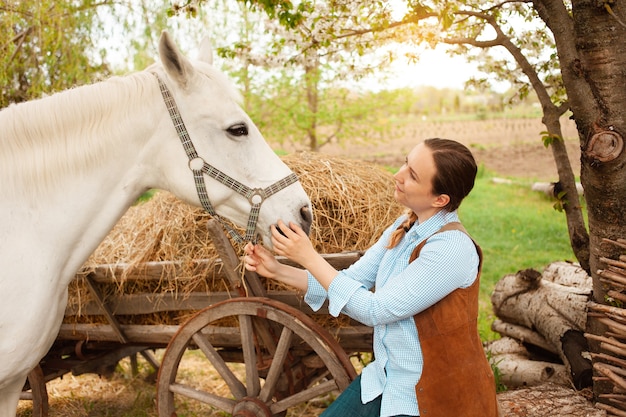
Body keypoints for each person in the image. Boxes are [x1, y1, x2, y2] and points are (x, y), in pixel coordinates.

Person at [243, 138, 500, 417]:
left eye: (412, 175)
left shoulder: (450, 248)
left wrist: (309, 256)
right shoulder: (405, 226)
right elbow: (350, 281)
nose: (397, 175)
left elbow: (376, 310)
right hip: (385, 380)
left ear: (440, 199)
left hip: (431, 399)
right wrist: (278, 269)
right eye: (405, 163)